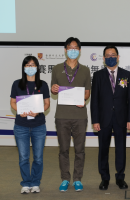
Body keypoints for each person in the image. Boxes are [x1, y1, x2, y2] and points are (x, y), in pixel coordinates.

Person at [91, 46, 130, 190]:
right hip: (103, 118)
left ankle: (120, 177)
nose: (111, 57)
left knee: (120, 149)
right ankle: (104, 178)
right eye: (108, 55)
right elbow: (94, 100)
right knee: (103, 149)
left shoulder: (126, 75)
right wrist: (95, 120)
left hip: (121, 118)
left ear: (118, 57)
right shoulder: (98, 76)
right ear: (103, 58)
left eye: (113, 55)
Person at [51, 37, 91, 192]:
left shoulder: (86, 70)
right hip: (62, 115)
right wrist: (54, 89)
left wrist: (84, 99)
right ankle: (65, 179)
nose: (73, 50)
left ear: (79, 51)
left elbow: (87, 92)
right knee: (64, 150)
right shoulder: (56, 68)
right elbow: (53, 89)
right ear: (65, 49)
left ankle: (78, 179)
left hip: (80, 115)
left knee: (80, 150)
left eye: (76, 48)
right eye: (70, 47)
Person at [10, 56, 50, 194]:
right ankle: (26, 183)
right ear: (24, 67)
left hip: (39, 126)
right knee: (23, 157)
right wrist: (19, 111)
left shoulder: (43, 84)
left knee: (38, 157)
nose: (30, 67)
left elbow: (47, 103)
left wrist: (38, 112)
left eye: (33, 65)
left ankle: (35, 183)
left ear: (37, 67)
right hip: (21, 126)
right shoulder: (17, 84)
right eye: (27, 65)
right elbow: (13, 102)